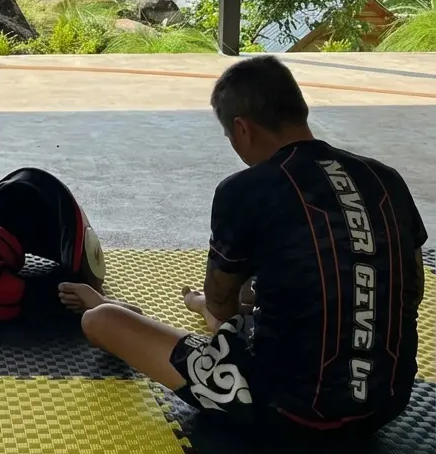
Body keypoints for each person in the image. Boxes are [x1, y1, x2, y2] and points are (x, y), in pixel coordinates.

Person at [59, 55, 427, 434]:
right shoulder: (385, 178)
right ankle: (203, 313)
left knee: (100, 321)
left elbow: (223, 301)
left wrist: (222, 308)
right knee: (263, 302)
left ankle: (117, 307)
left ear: (242, 128)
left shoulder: (246, 188)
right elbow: (412, 287)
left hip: (282, 409)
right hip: (386, 402)